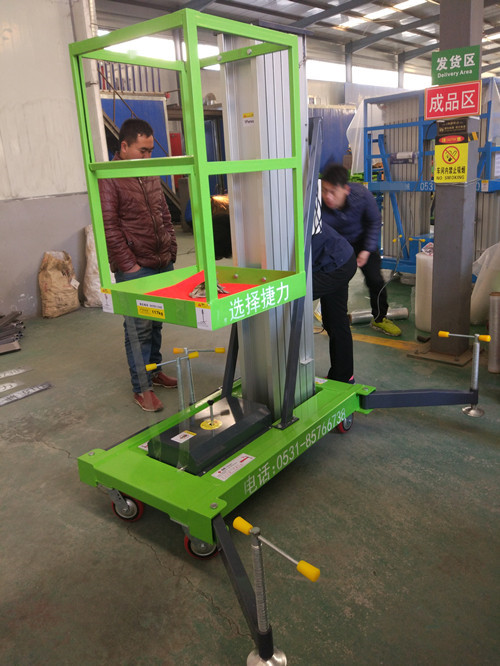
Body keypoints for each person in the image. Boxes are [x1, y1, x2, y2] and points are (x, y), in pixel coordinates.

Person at [99, 118, 178, 412]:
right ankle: (141, 388)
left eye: (150, 151)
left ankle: (154, 371)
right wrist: (129, 266)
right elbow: (109, 227)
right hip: (136, 267)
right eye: (142, 151)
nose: (147, 156)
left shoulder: (149, 171)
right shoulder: (109, 177)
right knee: (138, 327)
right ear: (124, 146)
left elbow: (164, 213)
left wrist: (171, 247)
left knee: (156, 322)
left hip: (161, 261)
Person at [319, 163, 402, 337]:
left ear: (346, 189)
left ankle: (380, 318)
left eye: (333, 191)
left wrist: (367, 249)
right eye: (324, 190)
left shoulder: (362, 195)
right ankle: (335, 323)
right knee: (335, 284)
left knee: (375, 279)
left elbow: (374, 220)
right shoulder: (317, 204)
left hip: (362, 241)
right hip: (336, 246)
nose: (328, 196)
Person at [311, 179, 357, 383]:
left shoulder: (288, 213)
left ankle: (292, 378)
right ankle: (343, 376)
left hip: (337, 263)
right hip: (340, 258)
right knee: (335, 320)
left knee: (290, 299)